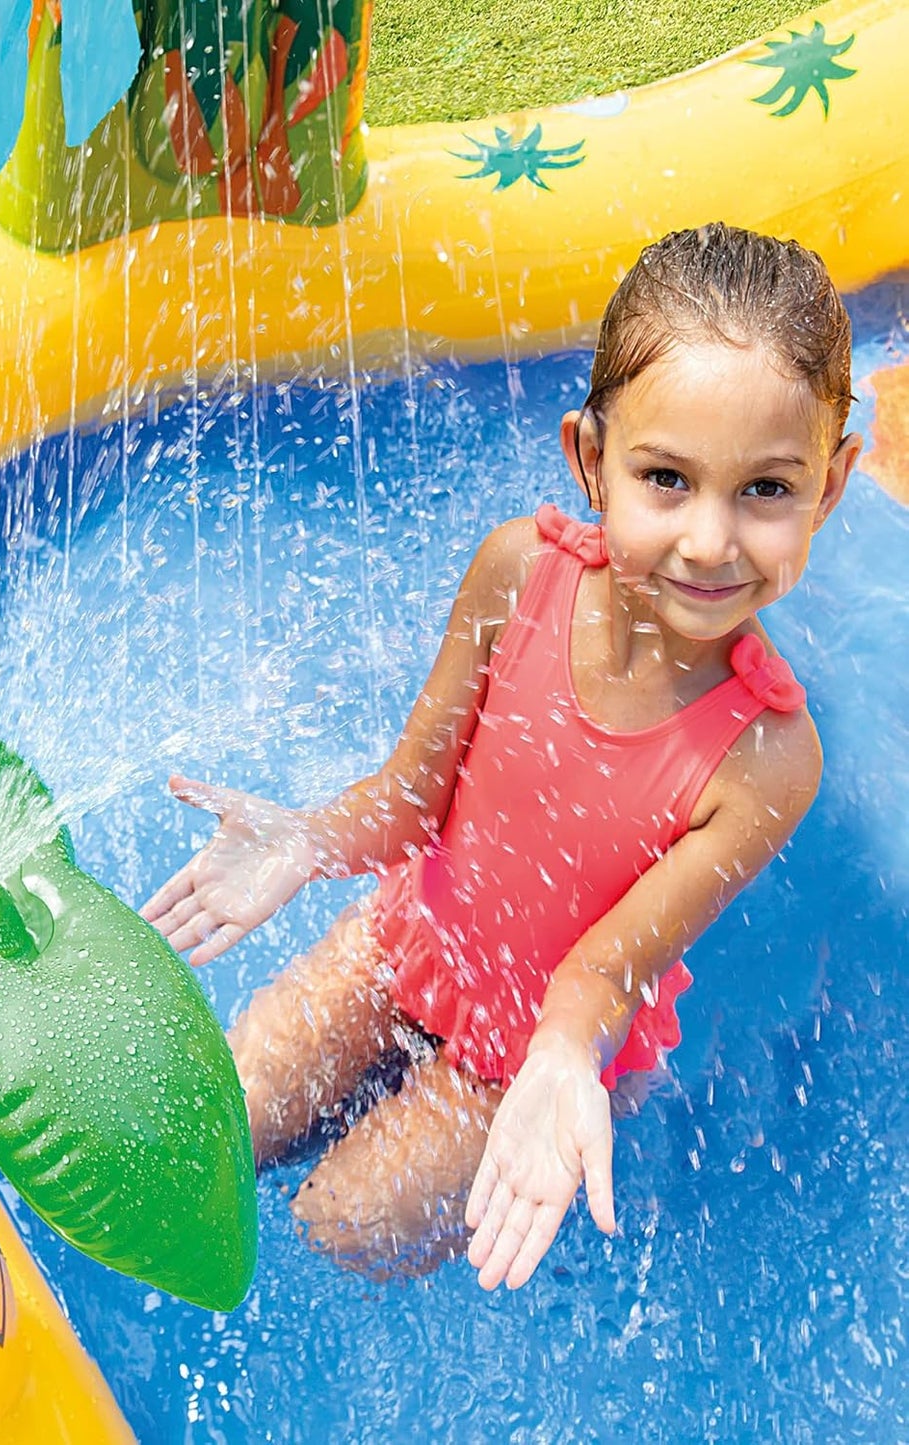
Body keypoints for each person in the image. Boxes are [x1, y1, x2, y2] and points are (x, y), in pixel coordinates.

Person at [142, 223, 862, 1291]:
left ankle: (542, 1130)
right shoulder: (519, 574)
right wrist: (305, 837)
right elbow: (406, 800)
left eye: (764, 490)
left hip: (535, 1042)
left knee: (339, 1224)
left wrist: (561, 1060)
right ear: (589, 459)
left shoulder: (761, 755)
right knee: (217, 1123)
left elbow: (604, 966)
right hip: (412, 940)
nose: (710, 540)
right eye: (665, 477)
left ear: (830, 484)